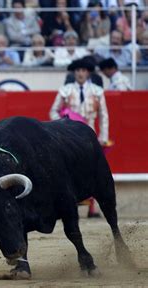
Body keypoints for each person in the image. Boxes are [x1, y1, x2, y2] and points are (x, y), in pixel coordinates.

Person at [49, 58, 109, 218]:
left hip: (90, 136)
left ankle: (92, 208)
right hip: (69, 137)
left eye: (83, 70)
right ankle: (68, 205)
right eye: (77, 71)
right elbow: (53, 111)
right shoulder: (65, 90)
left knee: (93, 172)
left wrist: (103, 136)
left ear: (88, 73)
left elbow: (104, 116)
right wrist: (62, 123)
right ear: (74, 73)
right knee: (67, 171)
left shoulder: (97, 91)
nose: (80, 73)